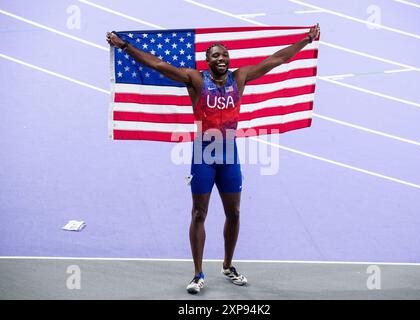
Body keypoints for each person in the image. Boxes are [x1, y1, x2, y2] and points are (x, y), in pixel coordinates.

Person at [106, 24, 320, 294]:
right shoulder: (195, 80)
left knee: (235, 213)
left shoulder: (240, 77)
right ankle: (198, 274)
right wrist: (124, 46)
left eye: (224, 55)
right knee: (199, 213)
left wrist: (306, 40)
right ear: (207, 62)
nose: (221, 59)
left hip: (229, 155)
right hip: (203, 155)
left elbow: (276, 60)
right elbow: (159, 65)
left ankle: (228, 266)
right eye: (215, 56)